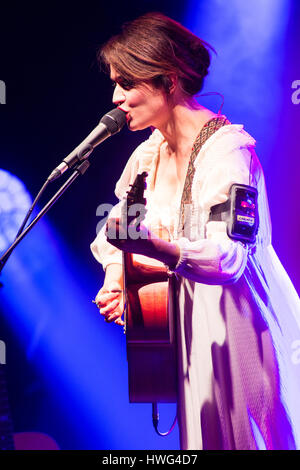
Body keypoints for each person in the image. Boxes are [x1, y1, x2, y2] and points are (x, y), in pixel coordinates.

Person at [90, 12, 300, 450]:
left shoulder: (229, 152)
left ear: (167, 79)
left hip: (239, 333)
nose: (116, 97)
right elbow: (113, 234)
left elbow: (228, 257)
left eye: (127, 83)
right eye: (115, 83)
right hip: (184, 338)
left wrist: (149, 244)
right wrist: (118, 276)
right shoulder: (147, 156)